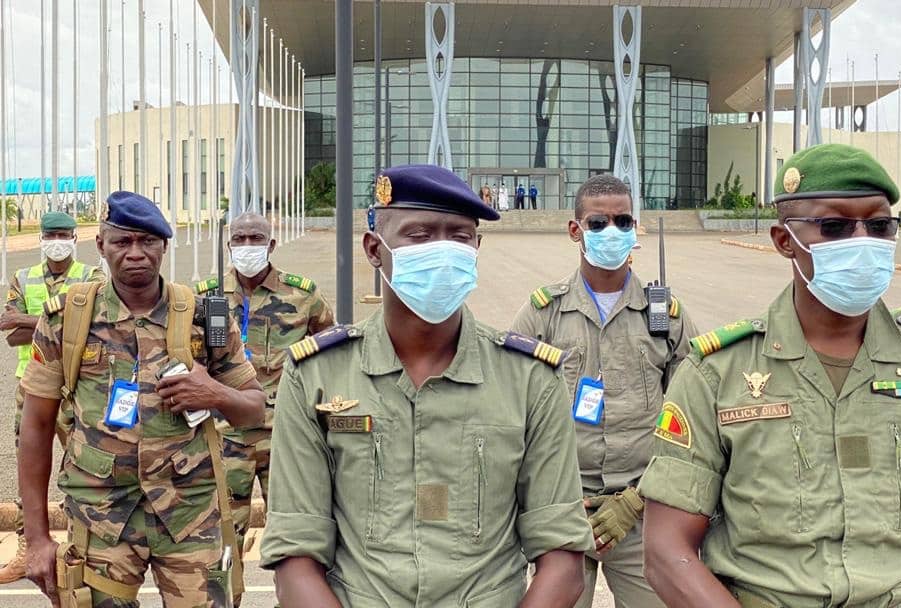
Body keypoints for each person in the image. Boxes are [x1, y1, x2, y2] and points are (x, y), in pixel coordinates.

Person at [638, 143, 901, 607]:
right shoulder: (716, 374)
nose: (862, 240)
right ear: (785, 240)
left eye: (879, 226)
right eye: (835, 227)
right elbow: (667, 550)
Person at [260, 164, 593, 608]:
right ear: (374, 249)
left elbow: (563, 558)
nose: (443, 250)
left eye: (459, 236)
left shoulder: (530, 379)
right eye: (419, 235)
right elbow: (295, 555)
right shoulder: (316, 376)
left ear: (477, 248)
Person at [18, 191, 266, 607]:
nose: (136, 252)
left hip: (188, 514)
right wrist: (38, 538)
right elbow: (36, 426)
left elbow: (254, 407)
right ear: (101, 245)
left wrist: (215, 393)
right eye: (122, 241)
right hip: (101, 518)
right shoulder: (68, 319)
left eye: (148, 241)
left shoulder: (205, 315)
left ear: (164, 245)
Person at [511, 173, 696, 608]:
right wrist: (545, 502)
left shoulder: (665, 316)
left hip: (642, 510)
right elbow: (512, 417)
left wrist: (635, 500)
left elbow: (691, 425)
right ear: (575, 230)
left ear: (635, 228)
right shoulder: (543, 314)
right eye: (598, 223)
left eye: (623, 221)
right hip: (564, 512)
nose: (612, 231)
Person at [193, 212, 334, 605]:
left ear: (271, 245)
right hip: (225, 439)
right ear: (228, 245)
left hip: (286, 438)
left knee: (295, 541)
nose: (247, 245)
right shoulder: (204, 297)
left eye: (255, 238)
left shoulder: (302, 295)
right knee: (221, 540)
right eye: (239, 238)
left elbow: (331, 351)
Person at [0, 211, 104, 584]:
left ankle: (84, 551)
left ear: (75, 238)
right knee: (29, 470)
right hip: (31, 386)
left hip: (79, 386)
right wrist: (63, 323)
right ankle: (27, 550)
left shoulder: (92, 277)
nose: (56, 241)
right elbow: (11, 336)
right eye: (50, 235)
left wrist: (27, 320)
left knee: (86, 469)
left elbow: (92, 324)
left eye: (63, 234)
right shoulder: (23, 277)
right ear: (42, 238)